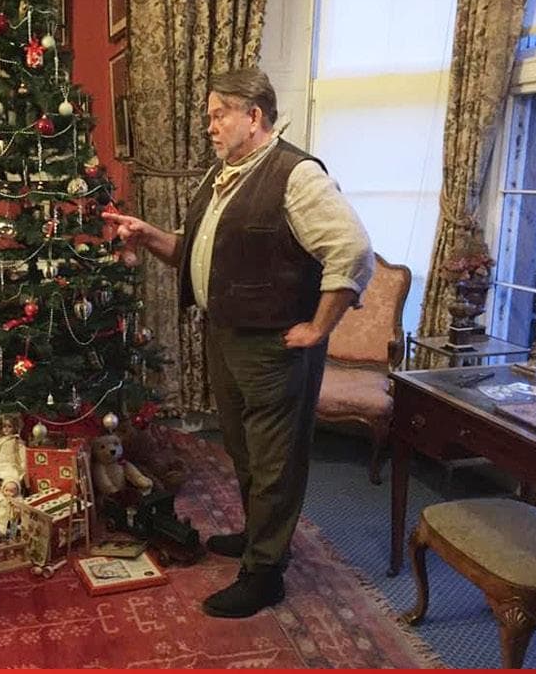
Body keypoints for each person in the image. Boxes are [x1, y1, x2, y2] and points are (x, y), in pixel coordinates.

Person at [103, 68, 373, 619]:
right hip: (226, 335)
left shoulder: (295, 175)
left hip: (276, 345)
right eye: (208, 116)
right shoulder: (221, 176)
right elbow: (194, 252)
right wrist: (148, 233)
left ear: (254, 116)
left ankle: (265, 573)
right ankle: (259, 537)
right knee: (244, 449)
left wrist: (320, 327)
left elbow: (352, 252)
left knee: (275, 459)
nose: (208, 126)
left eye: (217, 114)